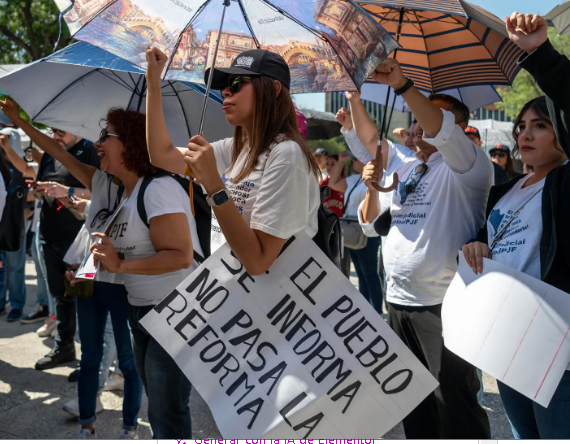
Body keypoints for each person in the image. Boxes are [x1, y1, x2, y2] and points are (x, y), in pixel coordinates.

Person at [145, 46, 319, 438]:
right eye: (222, 85)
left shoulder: (287, 156)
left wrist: (214, 186)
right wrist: (154, 84)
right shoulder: (235, 150)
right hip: (239, 320)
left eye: (236, 83)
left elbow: (258, 260)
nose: (225, 92)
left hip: (276, 326)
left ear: (273, 90)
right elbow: (159, 153)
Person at [357, 58, 494, 438]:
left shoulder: (468, 165)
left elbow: (442, 131)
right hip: (399, 302)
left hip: (444, 305)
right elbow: (373, 222)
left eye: (433, 116)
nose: (421, 123)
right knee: (414, 405)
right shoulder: (410, 168)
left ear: (460, 129)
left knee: (455, 405)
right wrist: (372, 185)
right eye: (418, 117)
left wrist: (403, 85)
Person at [1, 101, 147, 438]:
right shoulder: (97, 180)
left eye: (105, 137)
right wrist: (18, 121)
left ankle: (129, 429)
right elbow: (54, 149)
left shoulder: (147, 188)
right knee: (89, 360)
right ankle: (87, 427)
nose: (96, 144)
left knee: (128, 363)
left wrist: (122, 262)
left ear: (128, 145)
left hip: (126, 288)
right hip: (89, 283)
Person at [462, 12, 570, 439]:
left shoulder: (566, 182)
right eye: (521, 126)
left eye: (540, 126)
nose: (525, 134)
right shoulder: (505, 189)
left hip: (556, 344)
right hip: (509, 341)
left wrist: (540, 55)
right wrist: (476, 245)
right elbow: (495, 240)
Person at [0, 104, 100, 370]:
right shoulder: (51, 155)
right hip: (49, 234)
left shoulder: (90, 152)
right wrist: (42, 190)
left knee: (85, 297)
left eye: (59, 131)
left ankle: (92, 361)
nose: (55, 136)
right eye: (52, 131)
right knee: (61, 296)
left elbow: (99, 193)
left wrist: (64, 191)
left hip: (78, 239)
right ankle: (64, 347)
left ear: (75, 129)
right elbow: (31, 174)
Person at [329, 151, 383, 313]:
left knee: (370, 273)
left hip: (367, 231)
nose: (353, 161)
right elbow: (333, 183)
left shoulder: (374, 179)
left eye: (355, 158)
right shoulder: (353, 180)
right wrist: (340, 162)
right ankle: (366, 309)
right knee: (360, 272)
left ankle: (376, 311)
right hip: (353, 230)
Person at [0, 125, 28, 321]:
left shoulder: (23, 166)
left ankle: (17, 305)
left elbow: (33, 191)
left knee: (16, 267)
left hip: (16, 223)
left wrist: (27, 211)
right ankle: (1, 303)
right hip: (1, 221)